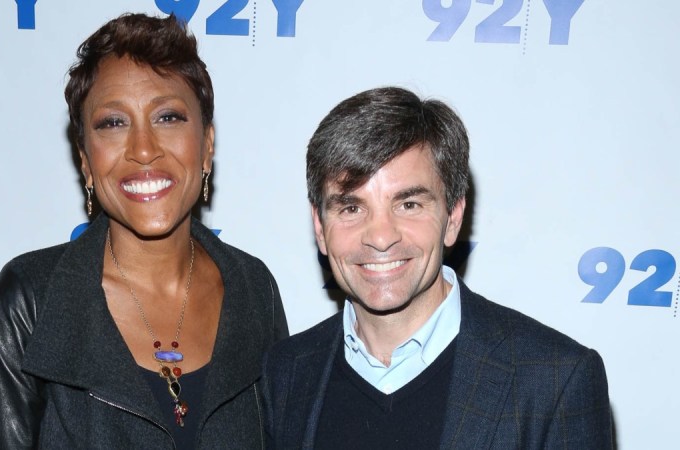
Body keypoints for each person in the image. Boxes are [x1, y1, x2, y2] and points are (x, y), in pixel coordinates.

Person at [0, 13, 288, 449]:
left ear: (207, 147)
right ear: (85, 161)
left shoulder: (254, 290)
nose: (142, 150)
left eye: (168, 117)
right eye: (113, 123)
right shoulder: (32, 301)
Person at [261, 87, 612, 449]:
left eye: (409, 204)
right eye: (351, 208)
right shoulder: (287, 372)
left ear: (453, 217)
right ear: (320, 227)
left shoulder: (554, 381)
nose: (380, 237)